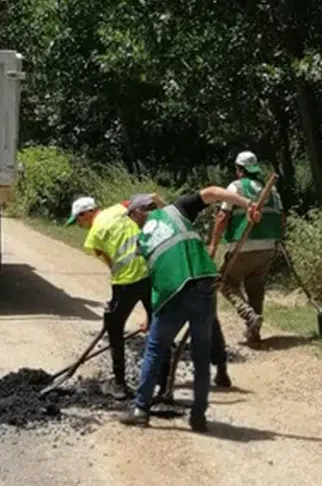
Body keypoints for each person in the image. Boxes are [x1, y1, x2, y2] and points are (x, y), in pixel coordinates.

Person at [122, 181, 259, 433]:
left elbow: (155, 282)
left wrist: (152, 317)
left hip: (173, 294)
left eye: (131, 216)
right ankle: (198, 417)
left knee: (154, 349)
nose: (132, 222)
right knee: (201, 355)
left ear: (139, 212)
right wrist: (248, 204)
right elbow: (212, 193)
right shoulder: (179, 210)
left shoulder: (142, 240)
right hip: (205, 287)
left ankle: (141, 409)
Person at [69, 193, 150, 398]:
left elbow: (111, 263)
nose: (79, 224)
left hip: (125, 282)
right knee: (159, 325)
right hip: (151, 274)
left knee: (114, 328)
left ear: (87, 213)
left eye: (79, 218)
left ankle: (119, 384)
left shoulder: (93, 238)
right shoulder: (119, 208)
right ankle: (164, 386)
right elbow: (144, 200)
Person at [210, 151, 285, 347]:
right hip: (268, 247)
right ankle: (254, 334)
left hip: (243, 246)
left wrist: (213, 245)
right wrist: (278, 241)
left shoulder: (236, 187)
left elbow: (222, 217)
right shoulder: (271, 191)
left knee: (224, 282)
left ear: (239, 170)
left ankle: (248, 314)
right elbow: (281, 218)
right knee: (256, 285)